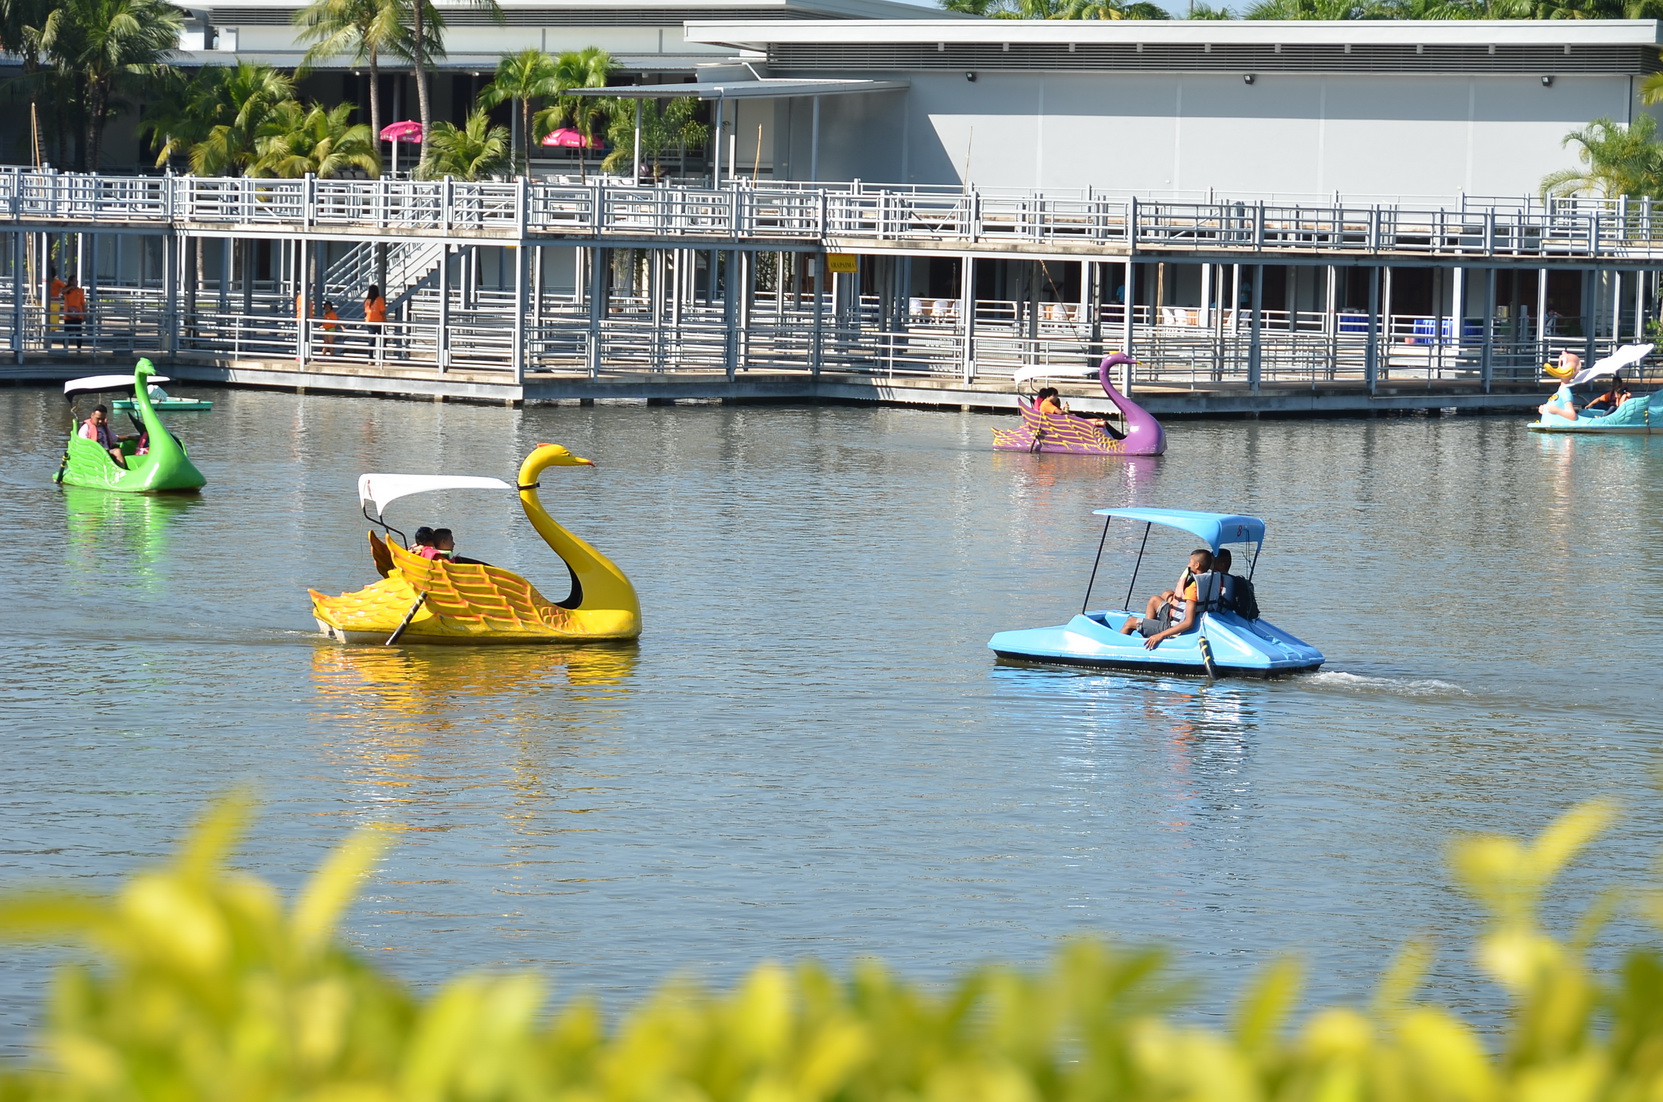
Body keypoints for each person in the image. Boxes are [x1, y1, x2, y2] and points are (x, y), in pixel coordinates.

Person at [1120, 548, 1220, 649]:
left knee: (1130, 622)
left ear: (1197, 565)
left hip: (1174, 627)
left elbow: (1189, 622)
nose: (1188, 565)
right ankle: (1147, 637)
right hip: (1175, 616)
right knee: (1154, 600)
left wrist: (1160, 635)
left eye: (1190, 562)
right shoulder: (1207, 582)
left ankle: (1118, 651)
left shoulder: (1192, 589)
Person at [363, 284, 387, 360]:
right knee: (384, 339)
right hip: (378, 322)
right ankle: (382, 357)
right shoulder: (380, 300)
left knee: (371, 341)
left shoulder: (367, 301)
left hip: (369, 322)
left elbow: (366, 312)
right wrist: (385, 320)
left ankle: (370, 358)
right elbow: (382, 312)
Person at [63, 276, 85, 351]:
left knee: (78, 332)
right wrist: (71, 287)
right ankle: (65, 347)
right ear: (71, 281)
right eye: (75, 281)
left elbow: (83, 303)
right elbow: (63, 291)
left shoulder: (80, 291)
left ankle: (79, 347)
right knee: (67, 332)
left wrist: (84, 313)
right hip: (68, 315)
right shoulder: (67, 290)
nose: (77, 282)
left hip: (77, 315)